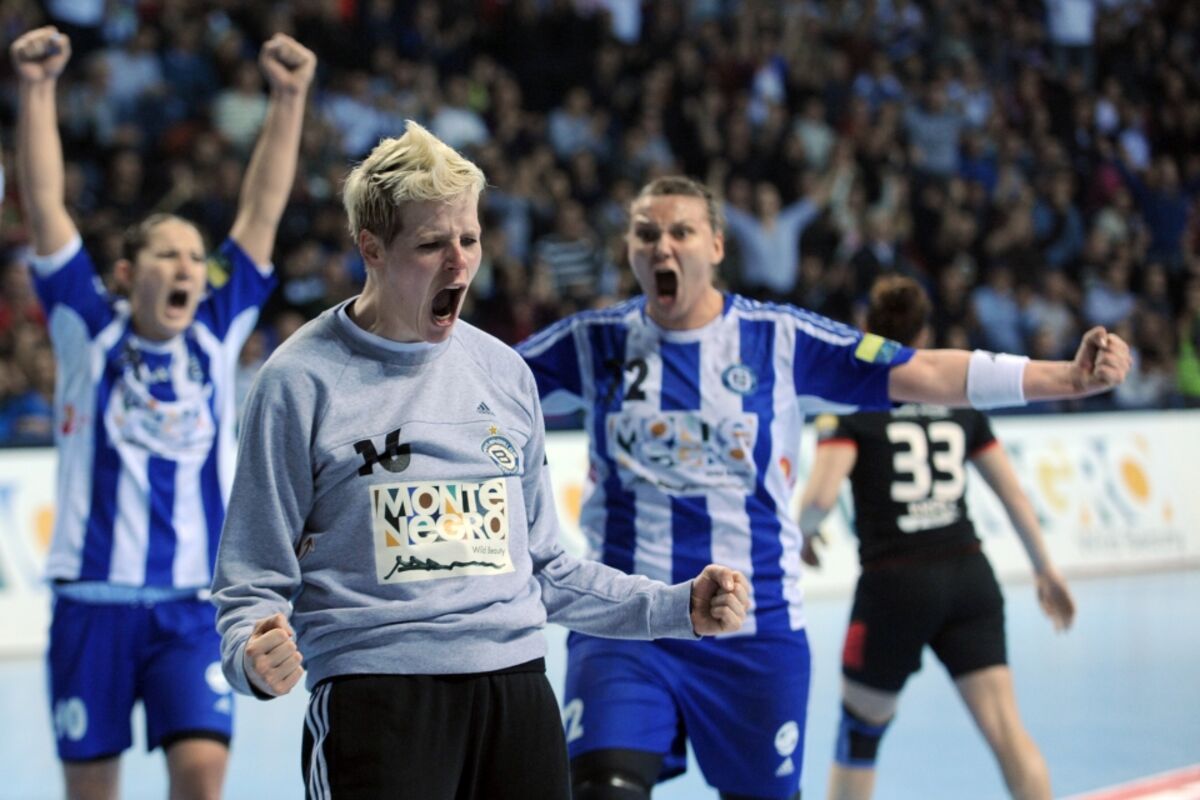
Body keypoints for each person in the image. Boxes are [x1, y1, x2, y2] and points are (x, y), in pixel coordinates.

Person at [515, 175, 1129, 800]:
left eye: (681, 232)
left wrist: (1066, 378)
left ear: (717, 246)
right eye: (646, 234)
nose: (662, 246)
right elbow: (482, 377)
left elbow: (923, 369)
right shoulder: (592, 341)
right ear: (629, 247)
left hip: (754, 628)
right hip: (627, 625)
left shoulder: (779, 338)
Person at [209, 121, 750, 800]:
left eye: (469, 239)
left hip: (517, 699)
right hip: (376, 700)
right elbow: (251, 578)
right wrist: (249, 657)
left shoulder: (503, 372)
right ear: (371, 248)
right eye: (431, 244)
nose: (459, 264)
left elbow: (545, 567)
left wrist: (676, 608)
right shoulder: (298, 381)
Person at [11, 25, 315, 800]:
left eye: (194, 257)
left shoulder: (215, 330)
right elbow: (44, 205)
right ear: (127, 272)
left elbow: (261, 210)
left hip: (191, 608)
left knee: (201, 785)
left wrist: (288, 97)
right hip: (92, 603)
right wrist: (38, 88)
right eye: (167, 254)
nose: (187, 266)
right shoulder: (87, 329)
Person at [799, 275, 1076, 800]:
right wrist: (1046, 569)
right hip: (968, 575)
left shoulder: (855, 405)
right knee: (1008, 735)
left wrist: (804, 539)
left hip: (895, 584)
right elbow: (1014, 495)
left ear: (867, 330)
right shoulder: (958, 400)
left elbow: (818, 498)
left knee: (859, 735)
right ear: (924, 335)